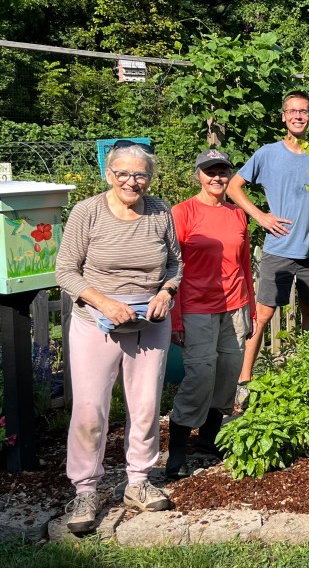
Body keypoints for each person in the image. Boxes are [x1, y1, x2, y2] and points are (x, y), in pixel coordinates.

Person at [55, 140, 182, 534]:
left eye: (140, 174)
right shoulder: (87, 212)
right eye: (123, 173)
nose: (132, 181)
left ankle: (139, 483)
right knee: (90, 411)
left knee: (145, 406)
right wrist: (105, 304)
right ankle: (86, 489)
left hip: (150, 320)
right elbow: (65, 271)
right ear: (108, 175)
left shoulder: (160, 212)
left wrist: (165, 292)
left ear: (150, 177)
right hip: (98, 322)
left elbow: (175, 265)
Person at [228, 90, 309, 402]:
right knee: (263, 315)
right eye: (292, 111)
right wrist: (260, 216)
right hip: (278, 250)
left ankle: (308, 374)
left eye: (304, 111)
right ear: (283, 116)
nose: (298, 116)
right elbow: (234, 186)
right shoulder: (268, 154)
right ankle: (244, 382)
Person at [165, 148, 257, 478]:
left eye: (222, 172)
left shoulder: (236, 214)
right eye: (209, 172)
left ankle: (208, 441)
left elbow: (245, 264)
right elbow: (171, 267)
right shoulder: (183, 212)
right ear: (198, 176)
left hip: (234, 306)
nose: (216, 177)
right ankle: (177, 449)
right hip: (196, 308)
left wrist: (252, 309)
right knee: (200, 377)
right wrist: (175, 316)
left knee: (228, 374)